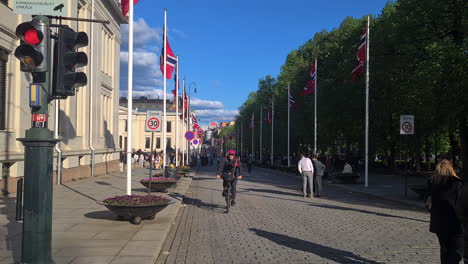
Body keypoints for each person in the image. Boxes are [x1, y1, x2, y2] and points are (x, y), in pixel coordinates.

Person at [426, 159, 464, 264]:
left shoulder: (432, 182)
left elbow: (428, 203)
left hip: (438, 221)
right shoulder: (456, 183)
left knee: (444, 249)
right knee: (458, 250)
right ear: (451, 169)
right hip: (454, 221)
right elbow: (460, 203)